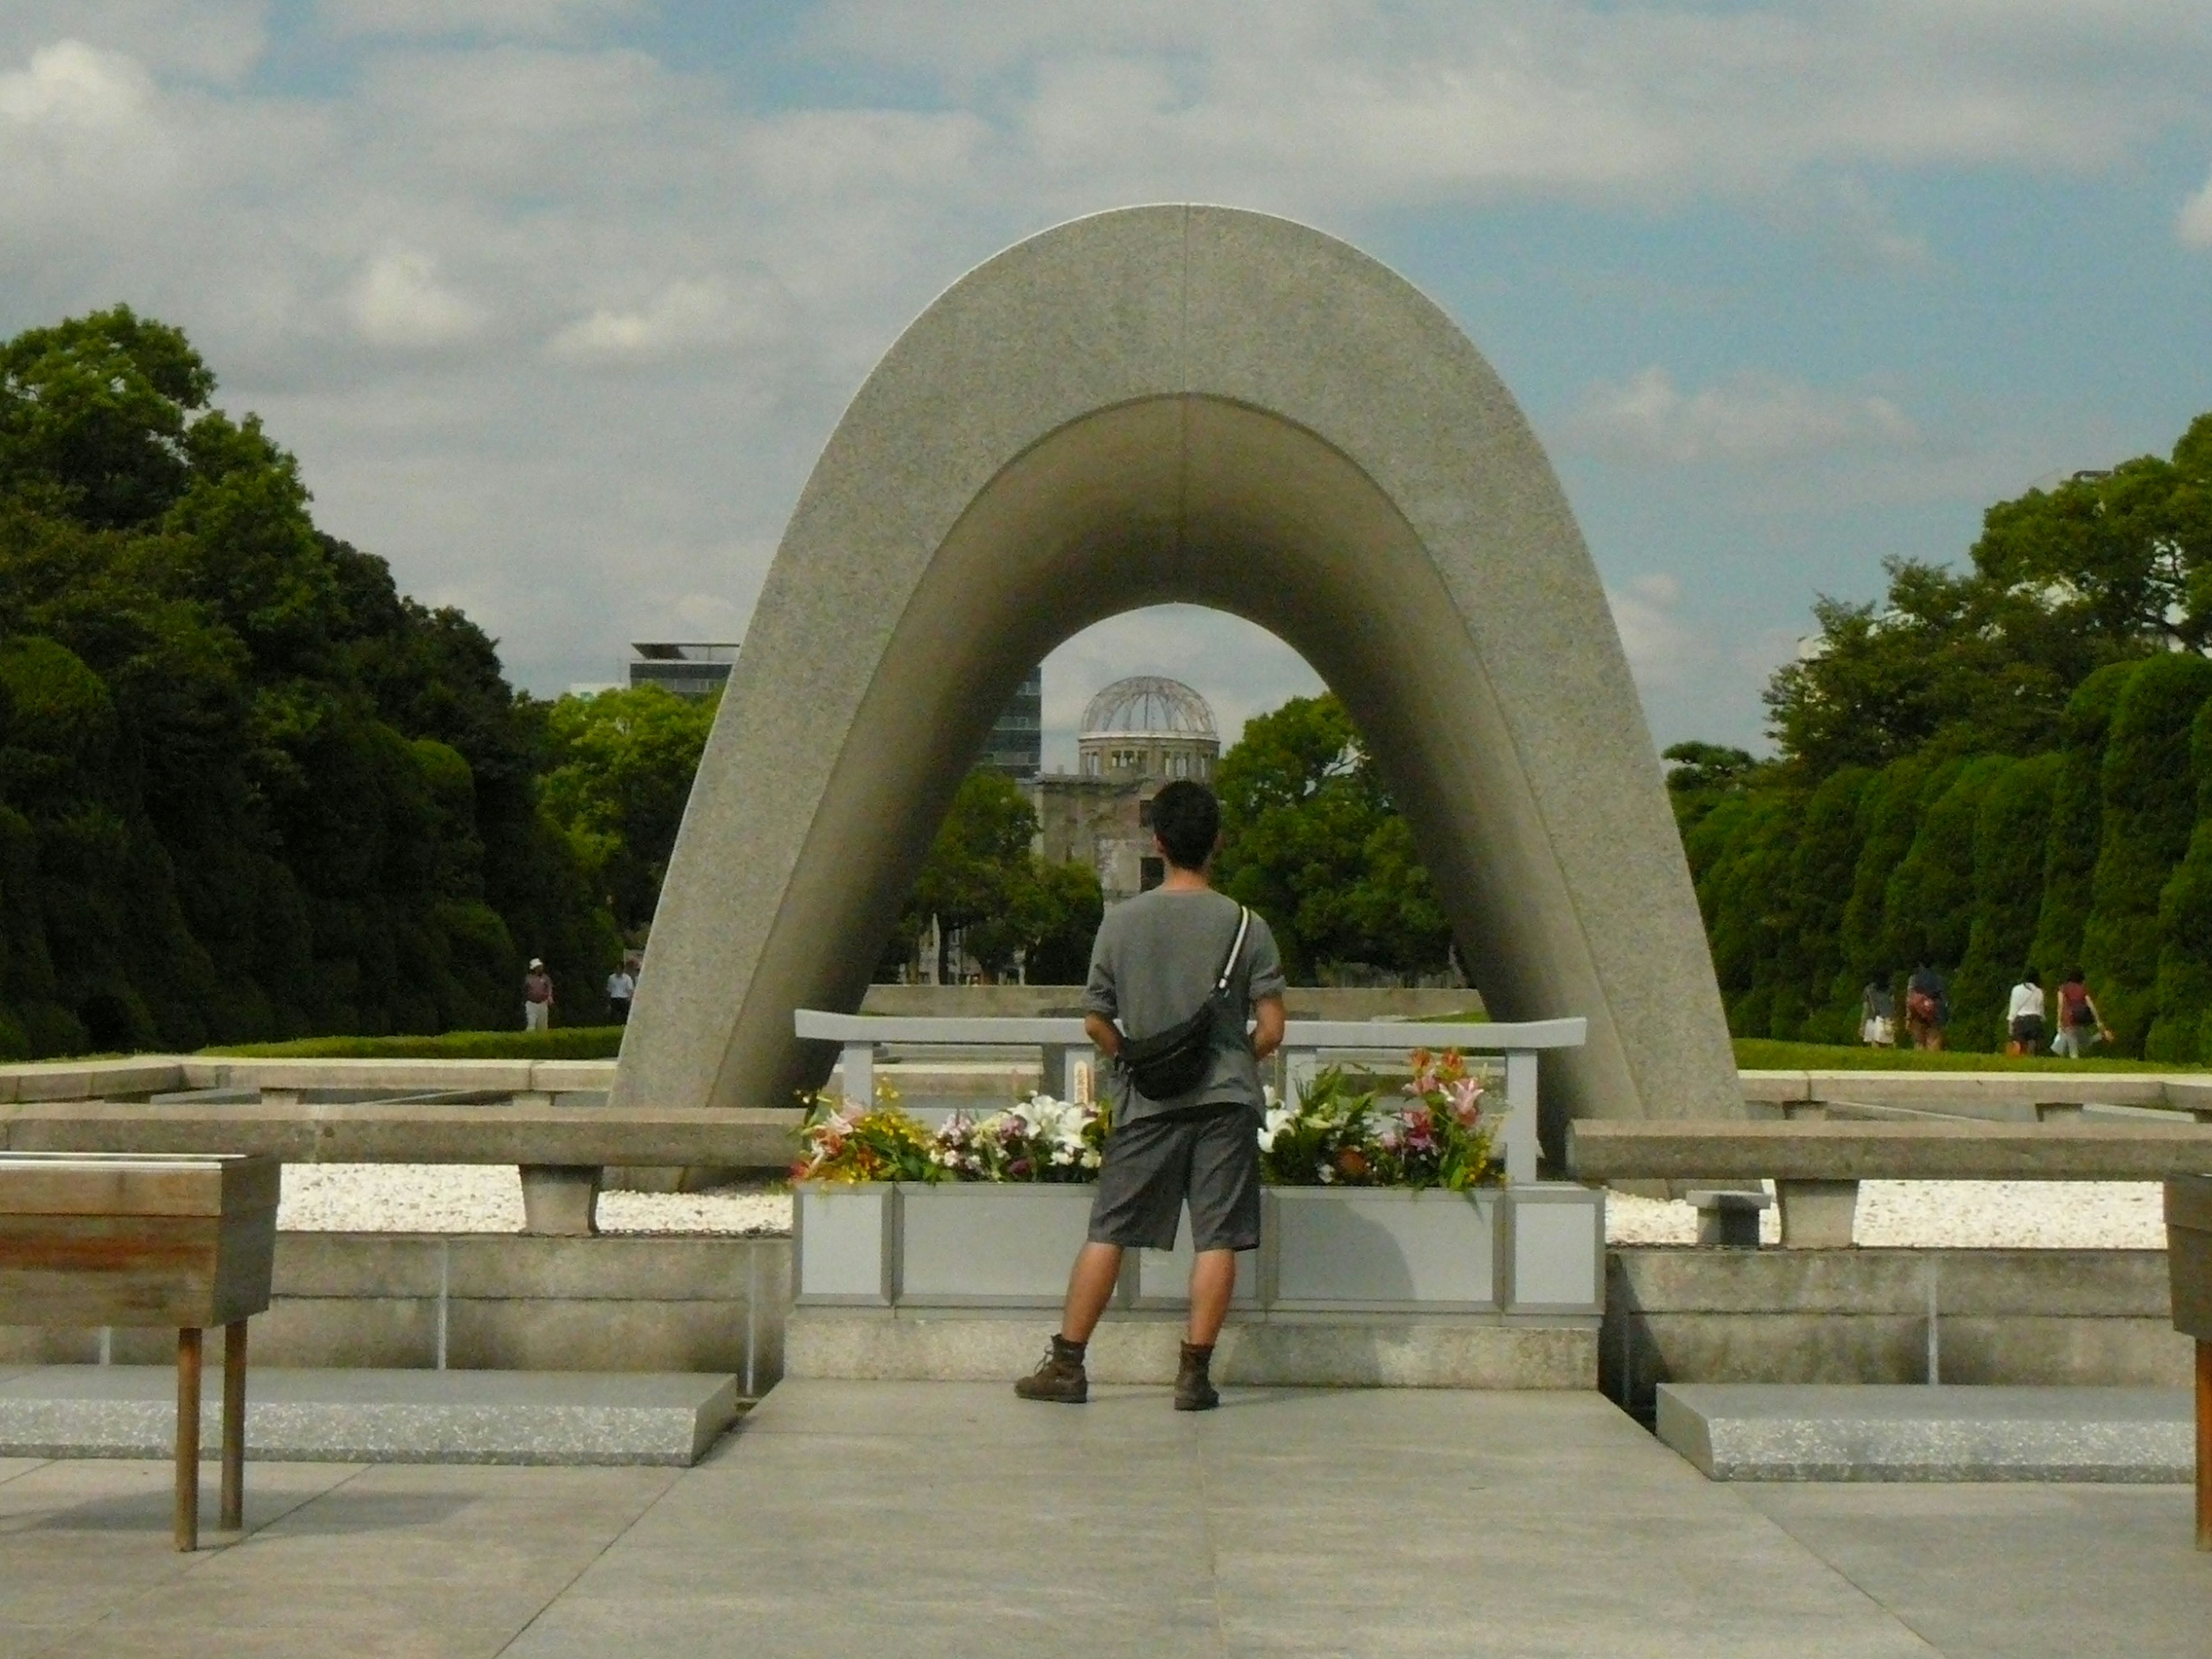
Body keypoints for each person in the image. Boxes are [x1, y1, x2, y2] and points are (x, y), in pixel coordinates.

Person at [1014, 779, 1286, 1412]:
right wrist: (1234, 1061)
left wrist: (1133, 1060)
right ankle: (1193, 1375)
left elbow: (1095, 1020)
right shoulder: (1249, 926)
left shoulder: (1121, 923)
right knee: (1217, 1237)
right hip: (1225, 1100)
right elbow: (1271, 1028)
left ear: (1157, 842)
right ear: (1216, 842)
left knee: (1109, 1229)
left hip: (1147, 1104)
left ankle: (1068, 1366)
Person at [2054, 968, 2111, 1058]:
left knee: (2073, 1051)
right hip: (2080, 1020)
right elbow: (2092, 1006)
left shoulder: (2063, 988)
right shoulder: (2083, 989)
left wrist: (2059, 1021)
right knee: (2086, 1042)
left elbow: (2061, 1005)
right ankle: (2101, 1036)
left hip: (2069, 1021)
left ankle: (2075, 1066)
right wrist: (2098, 1022)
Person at [1904, 962, 1949, 1051]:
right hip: (1935, 1011)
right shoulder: (1940, 979)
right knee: (1934, 1037)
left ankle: (1919, 1059)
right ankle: (1933, 1058)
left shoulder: (1914, 979)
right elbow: (1944, 1000)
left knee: (1919, 1040)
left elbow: (1910, 999)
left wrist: (1908, 1017)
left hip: (1917, 1011)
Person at [2005, 971, 2045, 1056]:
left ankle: (2022, 1057)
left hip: (2020, 1020)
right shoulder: (2039, 992)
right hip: (2035, 1020)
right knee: (2033, 1041)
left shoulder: (2016, 989)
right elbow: (2041, 1010)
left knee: (2020, 1044)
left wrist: (2010, 1025)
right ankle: (2032, 1056)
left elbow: (2013, 1008)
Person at [1860, 974, 1895, 1047]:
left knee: (1875, 1045)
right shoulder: (1891, 990)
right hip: (1887, 1019)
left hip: (1873, 1019)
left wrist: (1862, 1025)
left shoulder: (1869, 990)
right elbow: (1892, 1006)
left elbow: (1866, 1009)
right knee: (1888, 1044)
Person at [523, 958, 554, 1032]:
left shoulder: (545, 978)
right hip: (531, 1004)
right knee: (531, 1025)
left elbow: (549, 988)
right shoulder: (528, 978)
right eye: (539, 967)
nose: (541, 969)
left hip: (543, 1004)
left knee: (543, 1027)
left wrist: (549, 997)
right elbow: (525, 990)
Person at [605, 959, 636, 1026]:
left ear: (622, 970)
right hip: (614, 999)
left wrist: (630, 1000)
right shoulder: (611, 978)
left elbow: (630, 990)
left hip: (624, 999)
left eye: (619, 969)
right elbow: (609, 990)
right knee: (613, 1017)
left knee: (625, 1017)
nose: (617, 971)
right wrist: (608, 1004)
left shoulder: (627, 978)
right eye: (616, 969)